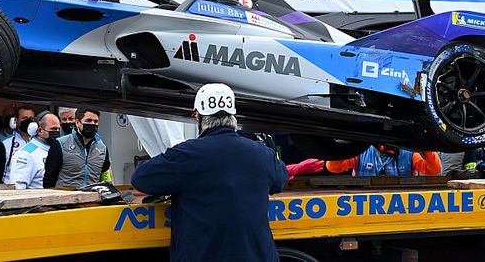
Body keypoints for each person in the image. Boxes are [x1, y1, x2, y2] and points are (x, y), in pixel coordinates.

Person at [131, 83, 288, 262]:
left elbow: (141, 179)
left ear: (197, 116)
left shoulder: (186, 154)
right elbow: (280, 180)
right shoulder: (261, 154)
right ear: (233, 116)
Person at [44, 108, 111, 188]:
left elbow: (104, 173)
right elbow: (49, 178)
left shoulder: (102, 148)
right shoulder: (61, 144)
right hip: (66, 198)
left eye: (95, 121)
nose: (92, 124)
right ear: (77, 122)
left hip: (92, 198)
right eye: (88, 120)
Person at [10, 110, 61, 189]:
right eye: (53, 129)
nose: (57, 132)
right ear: (40, 131)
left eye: (58, 129)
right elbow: (18, 187)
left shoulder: (56, 149)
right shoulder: (26, 154)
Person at [0, 104, 37, 185]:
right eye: (24, 118)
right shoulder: (4, 145)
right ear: (16, 121)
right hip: (10, 190)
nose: (28, 121)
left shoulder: (41, 143)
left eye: (31, 118)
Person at [327, 144, 442, 177]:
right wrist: (345, 144)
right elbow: (332, 167)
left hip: (402, 205)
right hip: (365, 205)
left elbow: (434, 170)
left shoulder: (410, 153)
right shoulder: (362, 151)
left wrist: (426, 147)